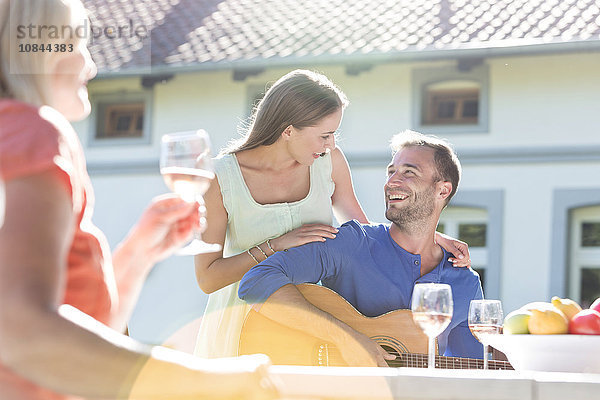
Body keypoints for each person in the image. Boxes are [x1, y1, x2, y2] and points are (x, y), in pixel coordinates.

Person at [0, 1, 277, 399]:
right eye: (79, 43)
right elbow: (24, 333)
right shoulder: (34, 133)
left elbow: (78, 330)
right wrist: (205, 381)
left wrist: (138, 253)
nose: (91, 66)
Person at [193, 70, 473, 358]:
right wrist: (276, 245)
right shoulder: (219, 178)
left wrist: (426, 236)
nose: (332, 145)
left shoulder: (328, 163)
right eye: (325, 135)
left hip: (313, 323)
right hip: (242, 319)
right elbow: (208, 278)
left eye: (334, 134)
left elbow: (365, 235)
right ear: (288, 131)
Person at [238, 130, 484, 367]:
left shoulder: (464, 281)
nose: (391, 182)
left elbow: (470, 371)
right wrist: (344, 337)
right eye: (391, 172)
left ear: (443, 189)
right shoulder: (353, 243)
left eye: (409, 173)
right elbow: (256, 281)